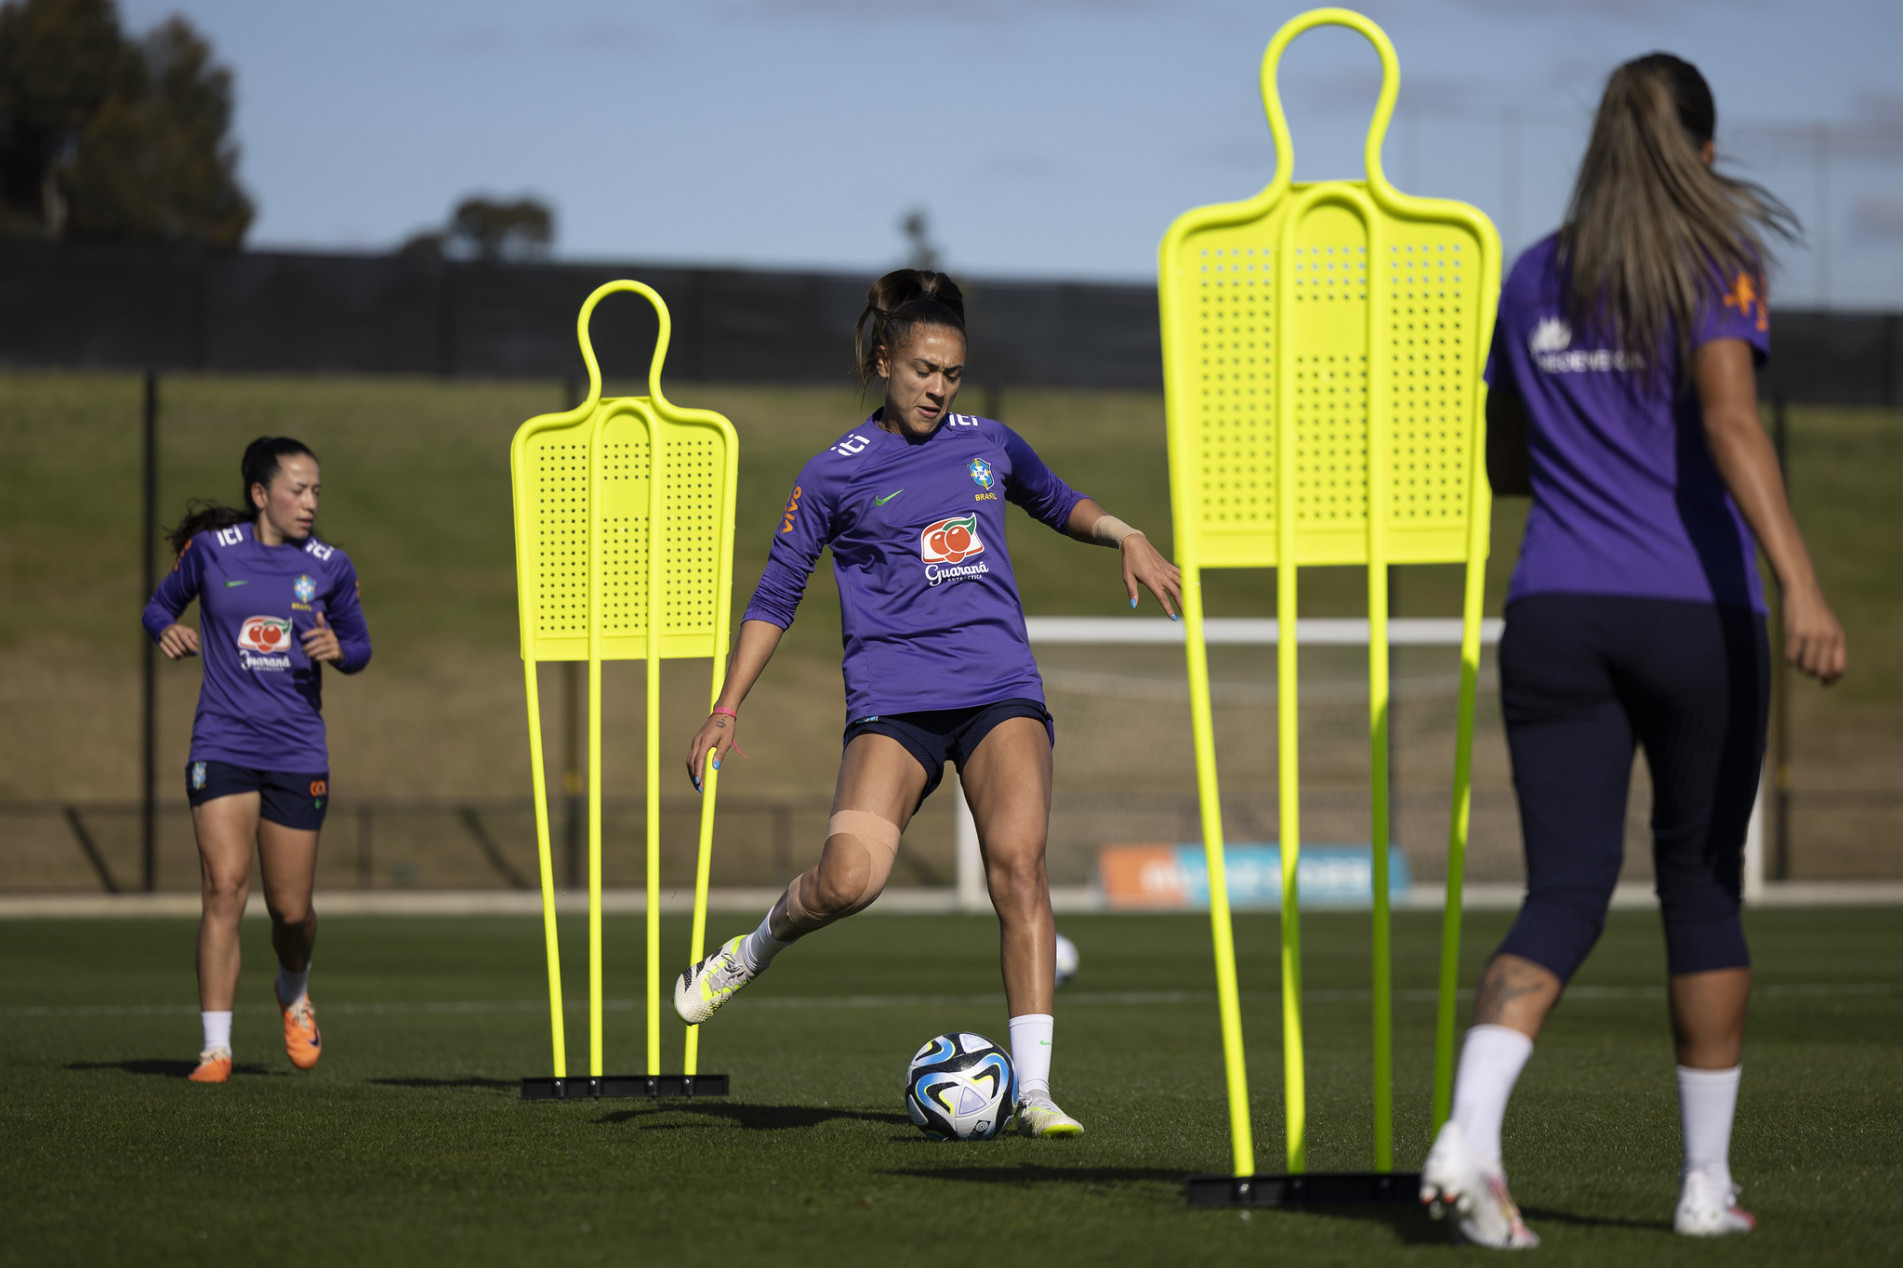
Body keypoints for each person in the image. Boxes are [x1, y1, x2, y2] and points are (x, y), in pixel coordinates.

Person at [1418, 54, 1846, 1247]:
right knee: (1700, 887)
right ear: (1702, 154)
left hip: (1554, 609)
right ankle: (1704, 1186)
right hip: (1695, 612)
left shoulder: (1533, 271)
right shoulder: (1717, 259)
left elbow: (1504, 464)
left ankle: (1466, 1135)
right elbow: (1726, 418)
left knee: (1562, 890)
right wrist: (1801, 579)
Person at [672, 269, 1181, 1136]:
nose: (938, 389)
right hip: (895, 702)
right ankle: (747, 952)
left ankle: (1036, 1094)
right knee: (848, 881)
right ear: (883, 361)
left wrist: (1125, 533)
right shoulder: (833, 473)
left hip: (998, 691)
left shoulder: (990, 442)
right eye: (922, 372)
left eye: (951, 374)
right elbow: (775, 594)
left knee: (1018, 867)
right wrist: (726, 706)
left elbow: (1058, 501)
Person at [143, 437, 373, 1083]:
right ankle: (215, 1048)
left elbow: (360, 646)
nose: (310, 502)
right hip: (222, 743)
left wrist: (338, 648)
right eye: (298, 489)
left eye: (316, 491)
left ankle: (293, 992)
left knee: (290, 911)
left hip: (297, 749)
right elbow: (159, 604)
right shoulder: (211, 553)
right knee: (223, 888)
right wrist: (166, 628)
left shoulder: (330, 565)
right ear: (259, 494)